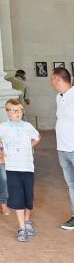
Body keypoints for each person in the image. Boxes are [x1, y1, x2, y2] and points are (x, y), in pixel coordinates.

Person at [0, 99, 40, 243]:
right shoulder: (4, 127)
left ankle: (27, 220)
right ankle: (22, 227)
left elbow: (37, 137)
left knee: (28, 197)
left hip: (27, 167)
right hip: (12, 167)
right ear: (8, 112)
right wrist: (2, 145)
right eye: (14, 110)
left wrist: (29, 146)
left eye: (19, 110)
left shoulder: (28, 126)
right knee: (17, 197)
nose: (17, 113)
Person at [49, 66, 74, 230]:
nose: (50, 82)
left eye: (51, 78)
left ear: (58, 79)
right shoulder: (59, 97)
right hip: (62, 149)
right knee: (71, 184)